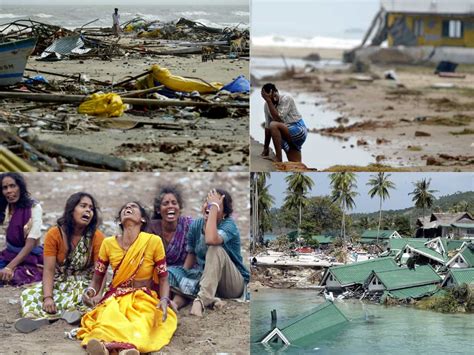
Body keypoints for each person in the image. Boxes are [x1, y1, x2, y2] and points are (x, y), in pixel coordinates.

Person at [77, 201, 177, 355]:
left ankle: (127, 349)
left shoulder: (153, 242)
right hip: (116, 297)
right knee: (107, 320)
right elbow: (97, 279)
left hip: (144, 298)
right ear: (119, 220)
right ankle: (105, 348)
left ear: (142, 219)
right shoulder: (108, 244)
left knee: (141, 322)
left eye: (133, 207)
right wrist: (90, 291)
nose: (128, 208)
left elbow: (164, 278)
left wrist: (164, 299)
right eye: (124, 208)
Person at [17, 192, 105, 331]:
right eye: (83, 206)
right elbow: (49, 270)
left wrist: (97, 294)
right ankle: (42, 318)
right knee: (29, 294)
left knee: (101, 301)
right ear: (71, 210)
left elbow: (101, 270)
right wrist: (48, 297)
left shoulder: (97, 236)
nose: (88, 210)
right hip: (61, 284)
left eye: (91, 208)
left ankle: (66, 315)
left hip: (86, 285)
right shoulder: (54, 234)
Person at [167, 188, 249, 317]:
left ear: (224, 212)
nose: (209, 206)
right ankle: (175, 304)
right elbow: (191, 255)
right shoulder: (196, 225)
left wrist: (214, 208)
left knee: (215, 249)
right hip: (206, 280)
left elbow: (211, 239)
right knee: (168, 273)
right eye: (207, 202)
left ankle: (201, 301)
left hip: (231, 284)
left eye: (215, 204)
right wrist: (183, 277)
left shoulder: (228, 225)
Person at [0, 173, 43, 286]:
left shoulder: (33, 208)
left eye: (13, 186)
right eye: (5, 188)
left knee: (13, 276)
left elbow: (30, 245)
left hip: (30, 256)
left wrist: (9, 267)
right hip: (9, 254)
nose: (9, 191)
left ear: (20, 187)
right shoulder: (5, 207)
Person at [146, 185, 193, 267]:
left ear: (180, 208)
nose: (170, 206)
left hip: (185, 272)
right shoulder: (151, 228)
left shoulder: (188, 225)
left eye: (174, 203)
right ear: (158, 210)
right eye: (165, 203)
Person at [260, 83, 308, 163]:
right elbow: (267, 127)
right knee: (295, 163)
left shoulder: (286, 98)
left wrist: (269, 101)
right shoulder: (267, 105)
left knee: (274, 125)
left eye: (275, 95)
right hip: (286, 133)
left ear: (277, 91)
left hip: (298, 129)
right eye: (270, 98)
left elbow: (278, 119)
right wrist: (266, 148)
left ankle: (278, 158)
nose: (274, 99)